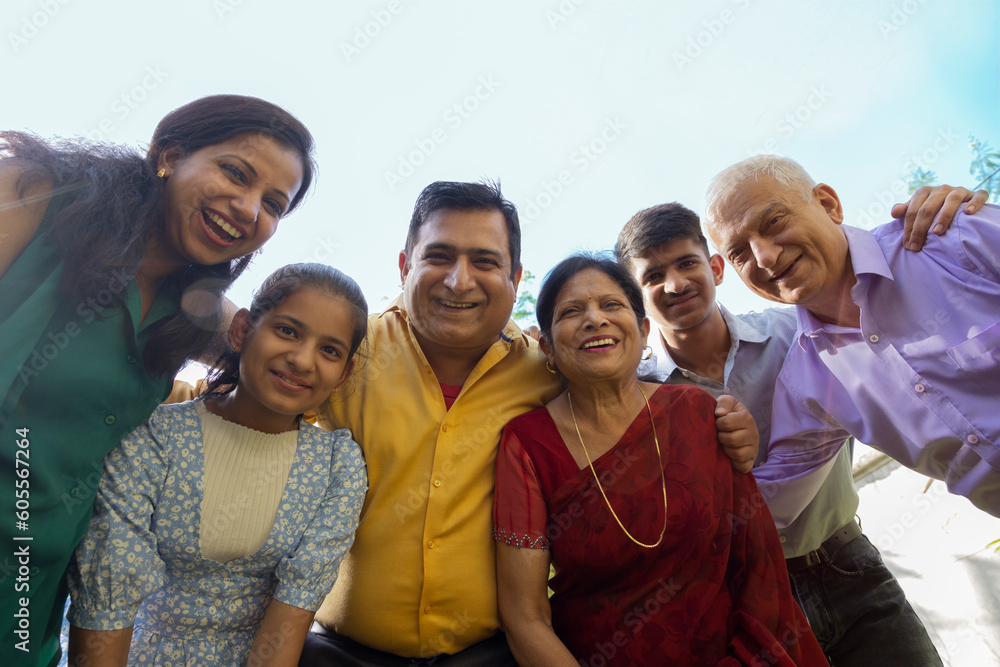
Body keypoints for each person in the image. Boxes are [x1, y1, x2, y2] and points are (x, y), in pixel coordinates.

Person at [303, 180, 758, 665]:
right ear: (404, 266)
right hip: (339, 654)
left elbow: (629, 398)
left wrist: (727, 421)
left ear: (515, 278)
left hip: (494, 656)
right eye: (439, 256)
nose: (460, 281)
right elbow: (263, 397)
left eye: (485, 261)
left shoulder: (549, 371)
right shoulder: (348, 350)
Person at [0, 94, 315, 666]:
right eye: (235, 173)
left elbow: (285, 351)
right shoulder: (34, 196)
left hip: (28, 595)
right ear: (169, 156)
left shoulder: (193, 312)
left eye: (273, 204)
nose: (248, 209)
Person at [614, 198, 981, 664]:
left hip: (849, 564)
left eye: (687, 263)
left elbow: (889, 311)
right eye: (652, 276)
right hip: (742, 601)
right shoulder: (633, 396)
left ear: (716, 268)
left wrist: (945, 209)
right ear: (636, 298)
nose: (675, 283)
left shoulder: (798, 332)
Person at [493, 253, 828, 666]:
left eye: (611, 304)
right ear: (547, 348)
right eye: (571, 311)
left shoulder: (696, 412)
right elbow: (524, 617)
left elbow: (756, 562)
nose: (595, 319)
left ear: (643, 330)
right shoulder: (528, 445)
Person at [66, 263, 368, 666]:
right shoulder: (153, 436)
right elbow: (106, 605)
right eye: (287, 330)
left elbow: (289, 622)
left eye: (329, 350)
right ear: (241, 330)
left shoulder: (337, 468)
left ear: (344, 374)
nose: (302, 360)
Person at [703, 155, 1000, 517]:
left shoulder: (955, 238)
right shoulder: (807, 383)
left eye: (774, 221)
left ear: (828, 204)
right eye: (739, 253)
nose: (764, 257)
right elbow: (766, 506)